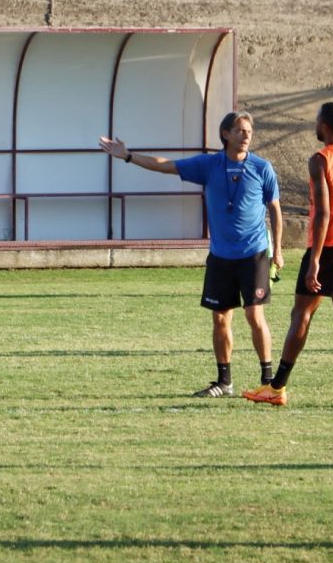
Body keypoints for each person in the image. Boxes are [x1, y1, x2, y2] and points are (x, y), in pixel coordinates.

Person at [99, 112, 284, 397]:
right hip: (221, 256)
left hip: (254, 253)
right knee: (220, 318)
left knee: (254, 314)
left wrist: (279, 251)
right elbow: (166, 166)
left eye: (249, 130)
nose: (246, 135)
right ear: (225, 134)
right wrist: (128, 156)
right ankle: (225, 382)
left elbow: (275, 209)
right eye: (239, 130)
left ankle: (269, 382)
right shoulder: (208, 164)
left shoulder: (262, 168)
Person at [242, 102, 333, 408]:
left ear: (324, 125)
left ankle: (277, 387)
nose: (314, 125)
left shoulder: (320, 159)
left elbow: (324, 213)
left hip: (329, 247)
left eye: (316, 121)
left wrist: (314, 259)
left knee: (301, 313)